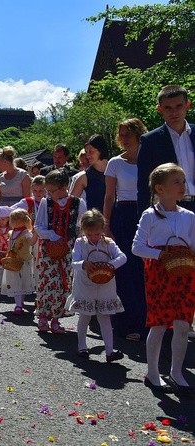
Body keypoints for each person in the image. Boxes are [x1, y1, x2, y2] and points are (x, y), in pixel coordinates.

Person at [132, 163, 195, 393]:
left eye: (183, 181)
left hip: (186, 272)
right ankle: (152, 371)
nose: (182, 186)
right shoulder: (150, 215)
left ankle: (176, 371)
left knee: (182, 324)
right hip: (159, 273)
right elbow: (137, 247)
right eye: (176, 181)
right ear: (160, 188)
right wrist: (161, 254)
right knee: (158, 324)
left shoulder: (189, 216)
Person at [103, 118, 149, 341]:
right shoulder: (114, 163)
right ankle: (128, 323)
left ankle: (151, 321)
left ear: (139, 134)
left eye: (127, 134)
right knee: (126, 269)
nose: (123, 138)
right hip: (123, 215)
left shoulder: (150, 159)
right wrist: (106, 224)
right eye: (120, 134)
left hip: (148, 214)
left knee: (147, 269)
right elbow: (109, 196)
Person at [66, 209, 126, 362]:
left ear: (102, 229)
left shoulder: (108, 243)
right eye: (89, 234)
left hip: (105, 283)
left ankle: (109, 351)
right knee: (85, 315)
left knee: (104, 316)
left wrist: (110, 265)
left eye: (97, 234)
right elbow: (74, 262)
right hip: (85, 284)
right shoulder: (80, 243)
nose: (93, 237)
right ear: (83, 231)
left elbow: (122, 257)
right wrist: (83, 264)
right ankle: (82, 346)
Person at [34, 169, 87, 333]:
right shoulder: (46, 203)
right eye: (47, 191)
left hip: (69, 248)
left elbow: (82, 226)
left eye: (52, 191)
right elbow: (38, 226)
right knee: (48, 281)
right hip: (49, 248)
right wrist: (52, 235)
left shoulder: (79, 203)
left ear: (65, 186)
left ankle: (56, 318)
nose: (49, 194)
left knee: (64, 283)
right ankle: (43, 316)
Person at [137, 84, 195, 215]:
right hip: (169, 209)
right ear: (160, 109)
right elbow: (143, 185)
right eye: (168, 108)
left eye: (179, 106)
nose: (174, 112)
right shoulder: (150, 141)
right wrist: (144, 219)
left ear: (187, 105)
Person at [1, 209, 35, 315]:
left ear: (24, 221)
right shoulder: (12, 233)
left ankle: (20, 302)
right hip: (13, 261)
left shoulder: (26, 233)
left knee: (24, 282)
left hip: (24, 261)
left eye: (17, 220)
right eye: (12, 220)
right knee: (15, 282)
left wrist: (36, 233)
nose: (14, 222)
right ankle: (18, 304)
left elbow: (31, 242)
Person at [71, 135, 110, 212]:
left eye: (91, 152)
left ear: (100, 150)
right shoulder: (83, 177)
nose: (88, 156)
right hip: (95, 221)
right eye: (86, 152)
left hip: (117, 219)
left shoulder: (115, 170)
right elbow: (71, 205)